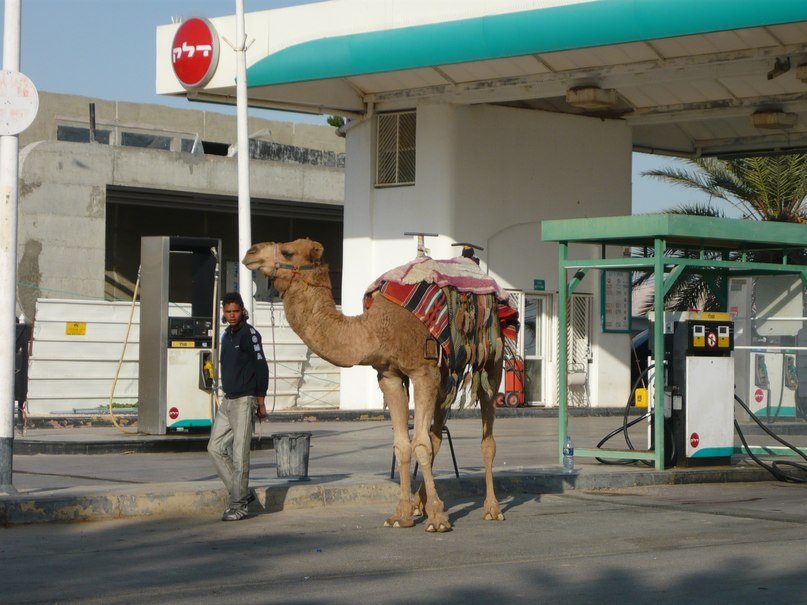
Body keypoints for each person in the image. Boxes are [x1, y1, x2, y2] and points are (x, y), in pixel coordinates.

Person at [207, 292, 269, 521]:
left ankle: (239, 504)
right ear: (223, 312)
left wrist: (261, 401)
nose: (232, 316)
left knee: (239, 454)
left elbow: (262, 367)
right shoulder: (226, 335)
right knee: (214, 448)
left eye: (235, 311)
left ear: (243, 311)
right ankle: (243, 493)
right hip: (228, 400)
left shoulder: (249, 334)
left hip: (245, 400)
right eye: (228, 312)